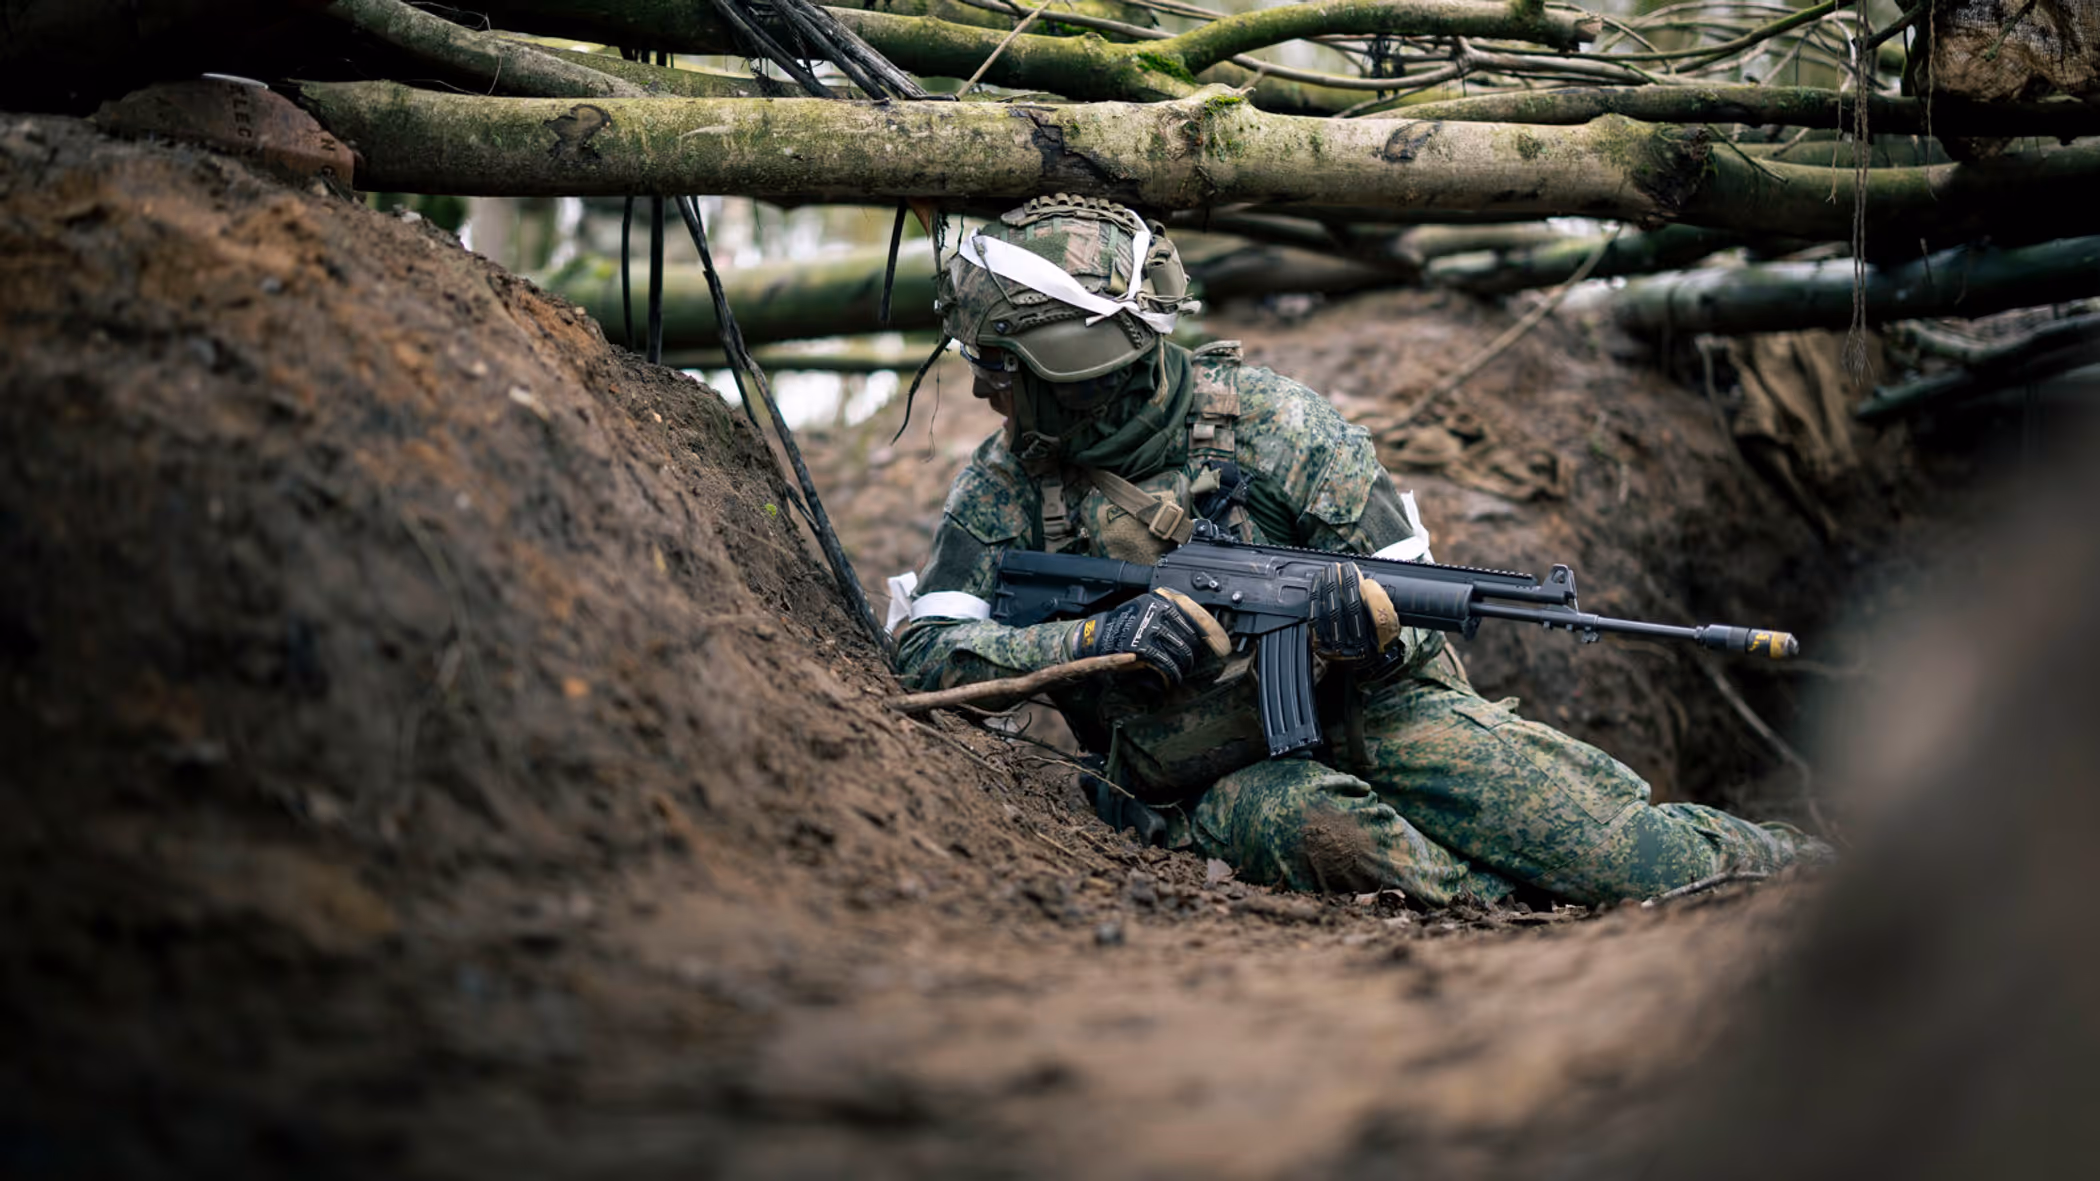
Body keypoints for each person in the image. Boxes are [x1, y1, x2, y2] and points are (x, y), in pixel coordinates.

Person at [891, 194, 1825, 906]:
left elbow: (1416, 615)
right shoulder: (1006, 485)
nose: (983, 393)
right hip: (1205, 780)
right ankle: (1521, 905)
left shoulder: (1282, 430)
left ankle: (1810, 874)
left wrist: (1370, 636)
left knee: (1611, 847)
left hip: (1380, 709)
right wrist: (1096, 640)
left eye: (1001, 368)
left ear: (1077, 372)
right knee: (1338, 838)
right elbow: (925, 655)